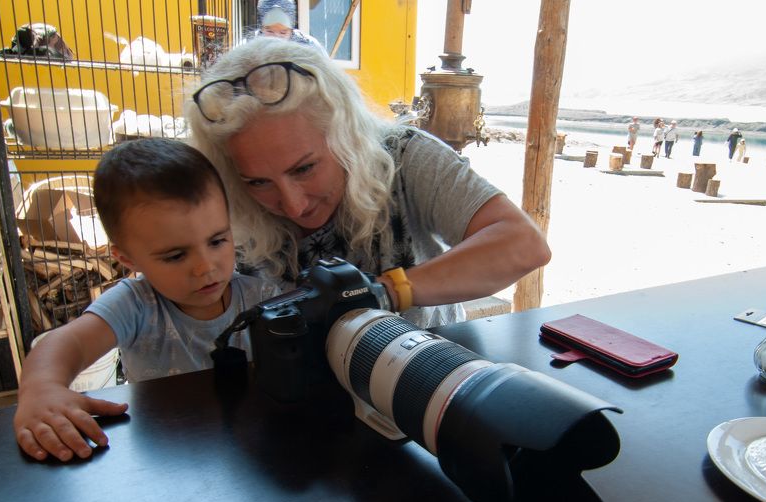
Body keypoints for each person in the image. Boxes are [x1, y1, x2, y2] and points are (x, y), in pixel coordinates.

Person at [186, 38, 551, 328]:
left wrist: (384, 292)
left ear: (348, 137)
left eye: (305, 169)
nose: (294, 206)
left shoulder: (405, 157)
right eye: (258, 182)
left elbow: (522, 246)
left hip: (425, 383)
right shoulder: (222, 199)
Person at [13, 138, 279, 462]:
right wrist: (42, 389)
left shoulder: (263, 295)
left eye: (218, 240)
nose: (206, 267)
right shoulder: (136, 305)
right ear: (128, 259)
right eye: (176, 255)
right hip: (168, 454)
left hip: (248, 450)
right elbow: (66, 343)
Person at [253, 0, 323, 50]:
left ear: (291, 32)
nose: (276, 38)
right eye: (270, 31)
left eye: (283, 33)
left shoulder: (310, 47)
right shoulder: (249, 47)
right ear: (261, 29)